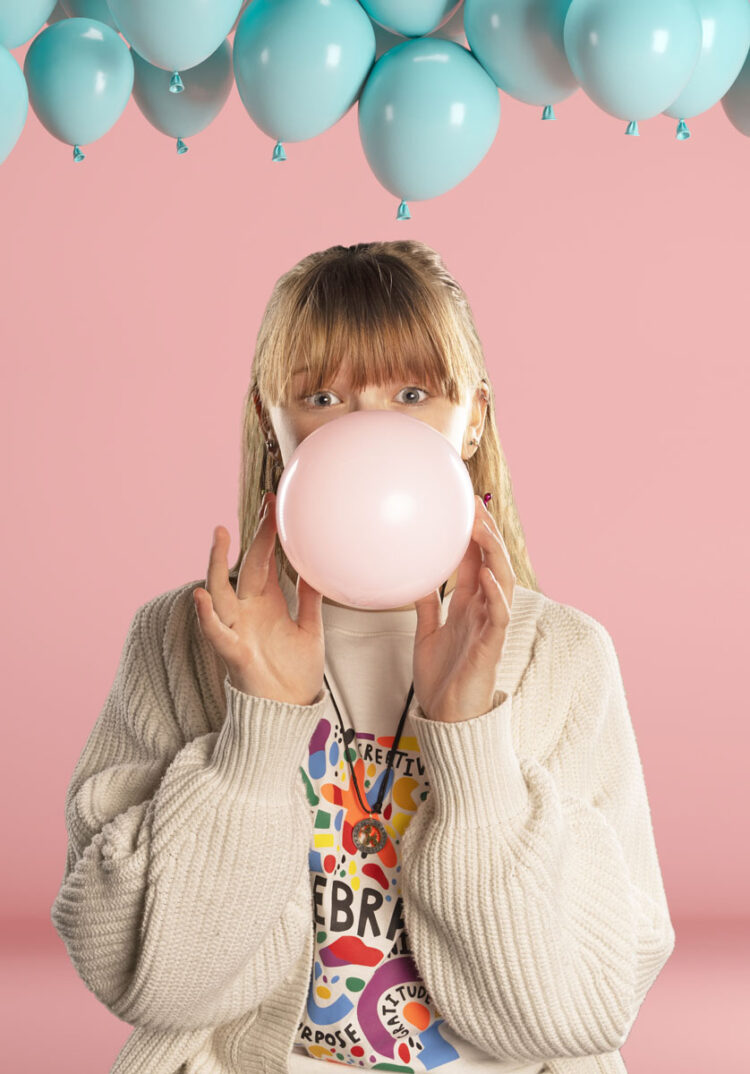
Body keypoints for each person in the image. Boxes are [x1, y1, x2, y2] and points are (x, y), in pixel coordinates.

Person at [50, 241, 675, 1074]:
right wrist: (258, 735)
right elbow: (150, 983)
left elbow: (575, 1012)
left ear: (474, 417)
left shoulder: (563, 659)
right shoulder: (183, 641)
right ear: (272, 425)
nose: (369, 429)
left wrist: (471, 738)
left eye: (411, 393)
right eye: (322, 396)